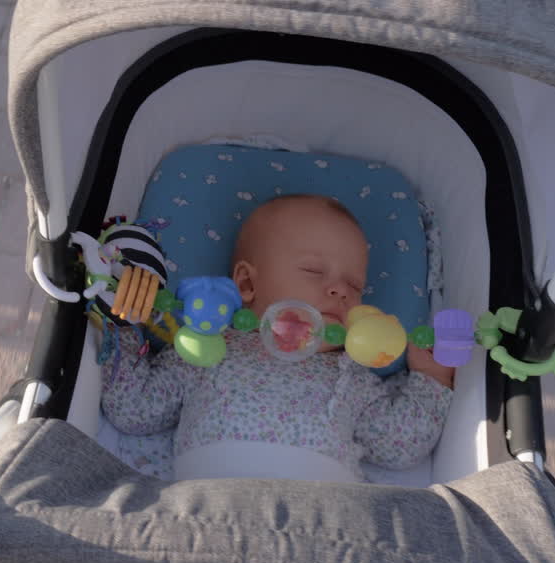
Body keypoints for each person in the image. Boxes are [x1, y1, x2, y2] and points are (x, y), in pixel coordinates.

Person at [100, 194, 454, 483]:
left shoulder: (350, 376)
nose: (340, 291)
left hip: (321, 519)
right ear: (247, 285)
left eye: (356, 286)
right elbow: (135, 410)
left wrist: (431, 378)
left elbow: (399, 445)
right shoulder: (209, 347)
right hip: (208, 510)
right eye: (315, 271)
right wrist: (122, 321)